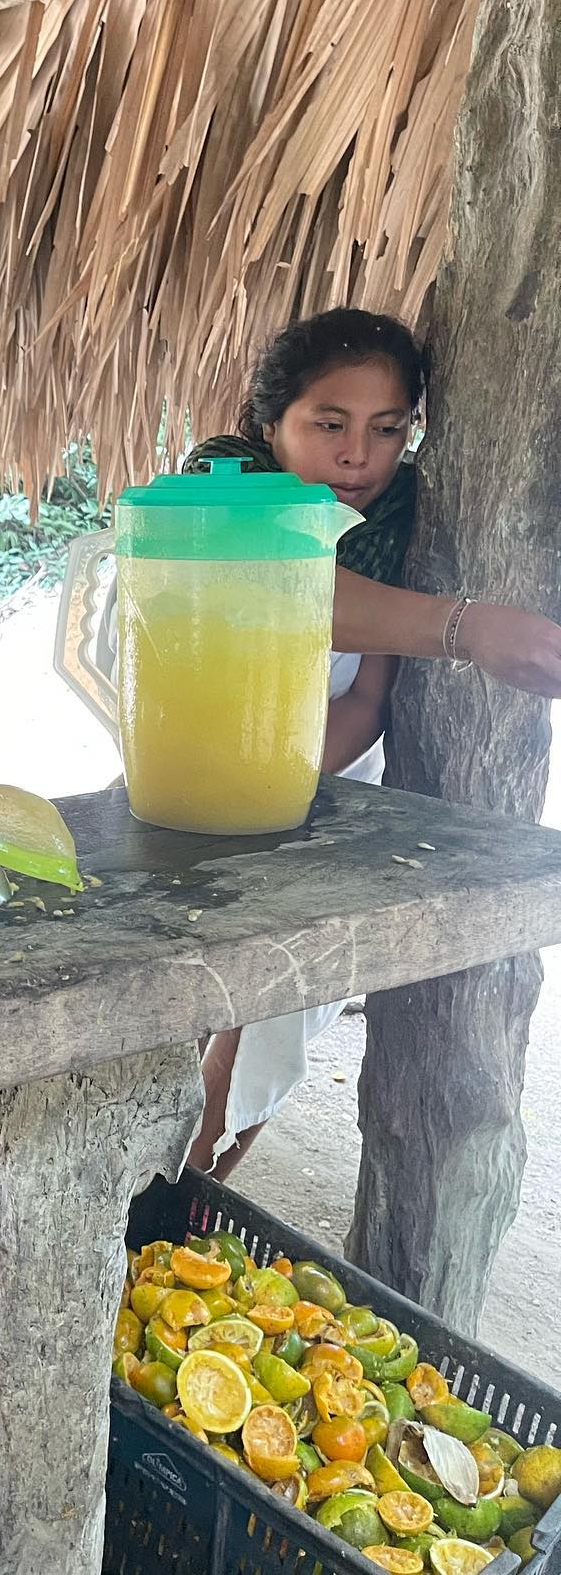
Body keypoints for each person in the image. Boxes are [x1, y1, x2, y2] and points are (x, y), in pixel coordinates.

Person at [180, 308, 558, 1173]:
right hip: (196, 783)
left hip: (318, 787)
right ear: (270, 422)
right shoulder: (222, 477)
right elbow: (282, 582)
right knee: (180, 1009)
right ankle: (138, 1217)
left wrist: (285, 786)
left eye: (388, 430)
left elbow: (369, 703)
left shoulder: (402, 524)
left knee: (275, 1012)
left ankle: (178, 1220)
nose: (359, 454)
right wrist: (467, 629)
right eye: (330, 424)